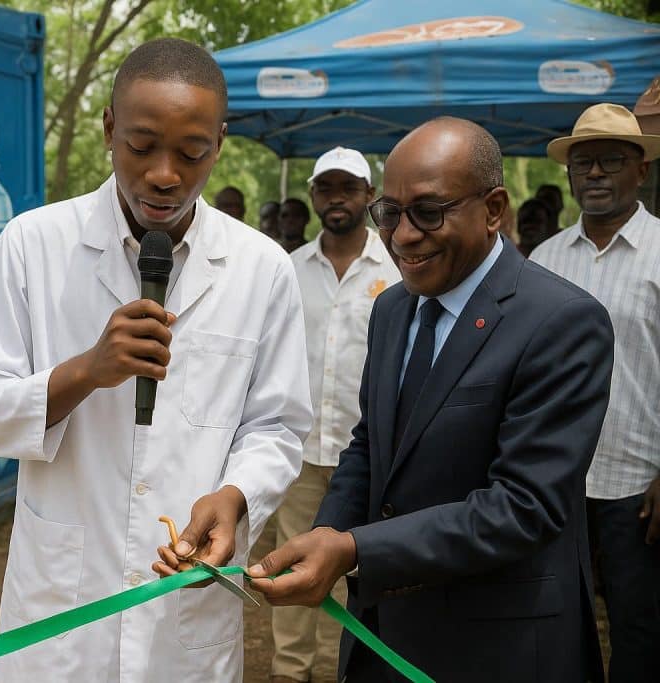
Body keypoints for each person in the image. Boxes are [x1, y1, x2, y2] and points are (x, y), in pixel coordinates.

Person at [0, 38, 311, 682]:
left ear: (219, 143)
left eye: (192, 152)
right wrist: (87, 370)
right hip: (62, 614)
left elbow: (277, 428)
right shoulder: (34, 244)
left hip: (182, 617)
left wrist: (236, 495)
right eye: (141, 146)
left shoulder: (263, 270)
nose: (165, 174)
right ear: (109, 128)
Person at [248, 117, 614, 683]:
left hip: (500, 645)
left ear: (493, 210)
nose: (401, 236)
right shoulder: (393, 309)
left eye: (427, 212)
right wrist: (327, 531)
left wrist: (355, 549)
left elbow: (524, 506)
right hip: (383, 636)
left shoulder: (561, 321)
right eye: (390, 214)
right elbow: (371, 444)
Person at [530, 102, 660, 683]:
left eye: (612, 161)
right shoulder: (544, 260)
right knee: (557, 617)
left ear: (642, 172)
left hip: (640, 483)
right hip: (553, 479)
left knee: (639, 623)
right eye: (584, 164)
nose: (597, 174)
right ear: (569, 175)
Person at [271, 147, 401, 683]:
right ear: (313, 195)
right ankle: (290, 669)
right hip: (299, 448)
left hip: (367, 450)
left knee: (352, 563)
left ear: (370, 197)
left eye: (349, 188)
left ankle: (335, 669)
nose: (336, 198)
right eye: (326, 188)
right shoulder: (288, 268)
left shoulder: (397, 267)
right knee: (290, 557)